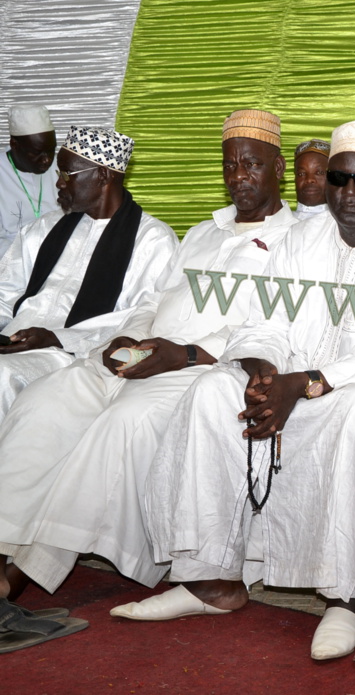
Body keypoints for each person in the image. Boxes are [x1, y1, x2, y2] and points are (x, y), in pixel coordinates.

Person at [111, 119, 355, 664]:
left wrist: (310, 383)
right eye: (340, 178)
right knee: (211, 392)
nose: (348, 193)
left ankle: (346, 597)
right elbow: (261, 320)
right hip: (288, 375)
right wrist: (262, 373)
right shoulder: (303, 236)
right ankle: (212, 581)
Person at [0, 109, 296, 622]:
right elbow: (154, 299)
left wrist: (180, 354)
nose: (238, 176)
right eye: (229, 165)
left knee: (122, 424)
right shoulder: (204, 231)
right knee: (43, 403)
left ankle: (14, 578)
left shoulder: (298, 241)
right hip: (143, 353)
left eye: (251, 164)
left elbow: (271, 326)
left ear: (278, 170)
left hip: (198, 366)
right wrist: (128, 338)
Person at [0, 125, 177, 419]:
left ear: (103, 175)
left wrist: (57, 337)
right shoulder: (44, 229)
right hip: (10, 344)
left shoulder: (152, 240)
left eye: (66, 174)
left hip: (72, 358)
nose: (59, 184)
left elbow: (142, 320)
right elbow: (5, 290)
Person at [1, 104, 60, 259]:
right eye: (37, 152)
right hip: (10, 261)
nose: (47, 159)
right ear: (14, 145)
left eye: (51, 150)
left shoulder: (60, 166)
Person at [293, 138, 329, 220]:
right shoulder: (279, 224)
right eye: (301, 174)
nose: (309, 179)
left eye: (319, 173)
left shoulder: (344, 226)